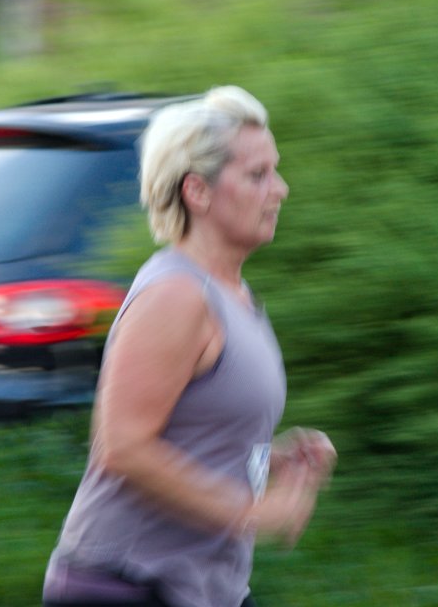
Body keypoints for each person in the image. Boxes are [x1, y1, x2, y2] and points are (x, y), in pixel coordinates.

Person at [43, 86, 337, 607]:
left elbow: (193, 434)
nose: (280, 189)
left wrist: (272, 457)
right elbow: (122, 447)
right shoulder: (176, 295)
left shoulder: (234, 296)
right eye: (257, 175)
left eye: (275, 171)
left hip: (207, 589)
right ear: (197, 192)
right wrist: (250, 512)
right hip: (125, 585)